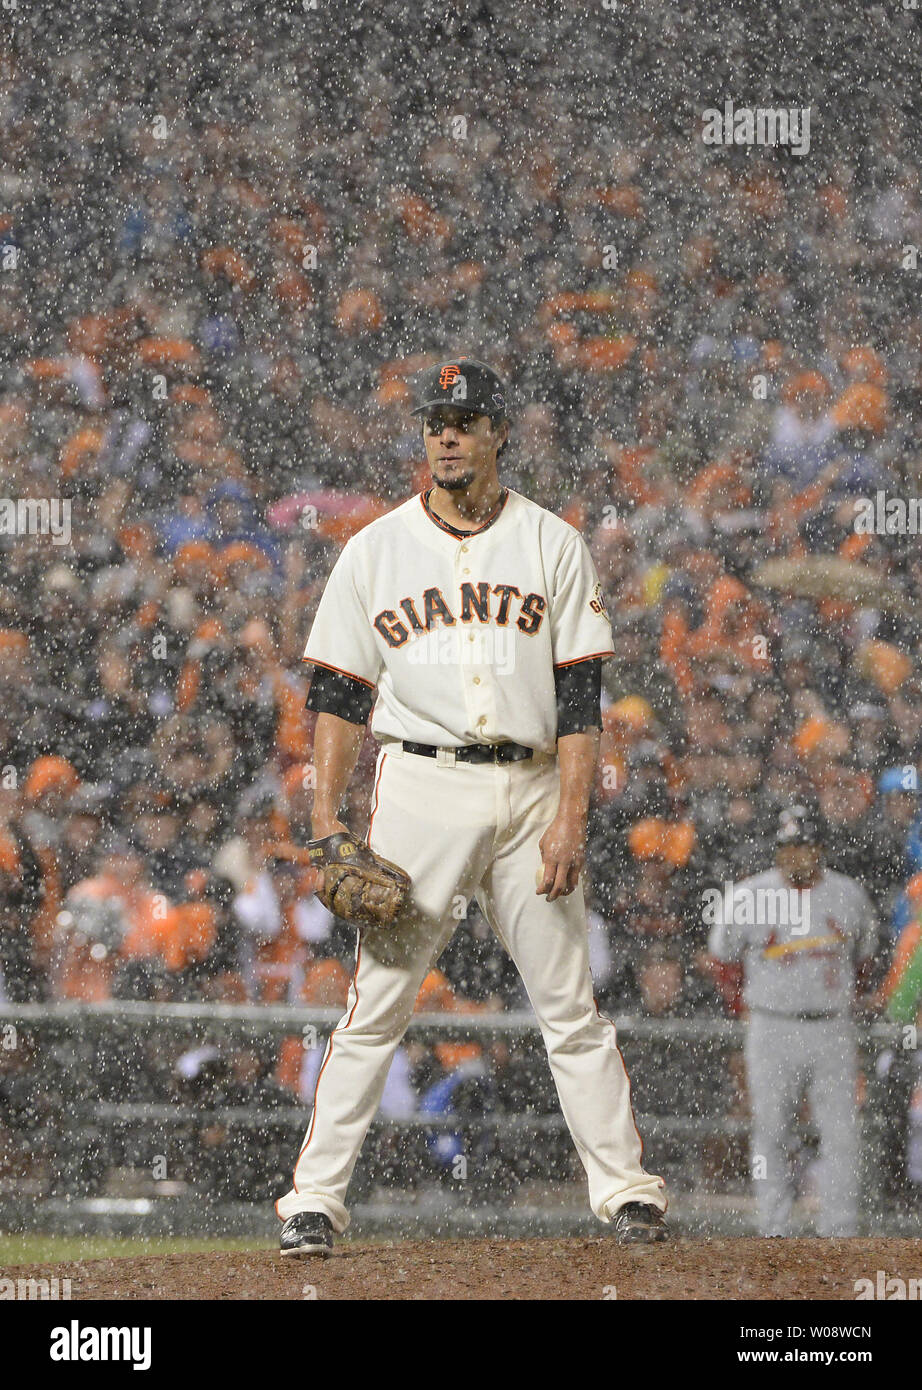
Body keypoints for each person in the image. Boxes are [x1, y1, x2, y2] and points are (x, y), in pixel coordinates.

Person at [276, 358, 668, 1256]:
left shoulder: (551, 543)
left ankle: (627, 1193)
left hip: (533, 789)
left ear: (499, 432)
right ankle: (312, 1201)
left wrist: (571, 816)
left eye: (464, 420)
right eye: (434, 422)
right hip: (421, 784)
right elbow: (338, 696)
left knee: (569, 1003)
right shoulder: (374, 549)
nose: (446, 435)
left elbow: (580, 701)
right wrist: (327, 820)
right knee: (377, 1002)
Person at [707, 804, 878, 1236]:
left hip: (831, 1025)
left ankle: (840, 1232)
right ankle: (774, 1229)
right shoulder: (748, 894)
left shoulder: (848, 894)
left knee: (841, 1133)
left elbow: (864, 963)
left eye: (802, 845)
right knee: (770, 1130)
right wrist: (743, 1010)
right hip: (770, 1025)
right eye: (787, 847)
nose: (795, 855)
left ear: (819, 848)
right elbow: (722, 961)